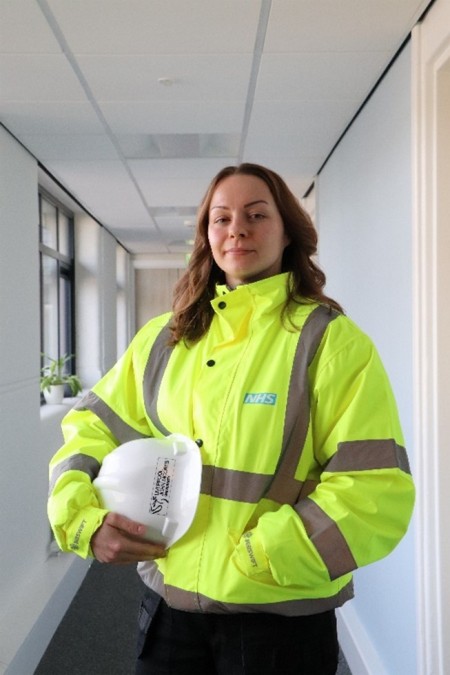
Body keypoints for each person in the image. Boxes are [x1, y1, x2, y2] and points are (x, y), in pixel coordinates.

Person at [48, 163, 415, 675]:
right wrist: (83, 523)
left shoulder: (331, 343)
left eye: (256, 214)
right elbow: (92, 428)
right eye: (220, 218)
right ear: (206, 236)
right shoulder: (165, 338)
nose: (236, 229)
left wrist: (261, 557)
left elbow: (376, 491)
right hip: (170, 611)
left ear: (288, 231)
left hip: (277, 618)